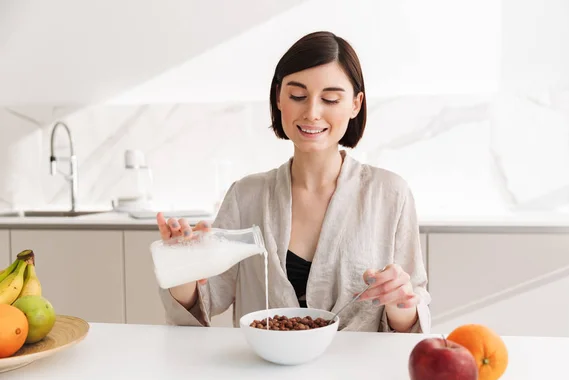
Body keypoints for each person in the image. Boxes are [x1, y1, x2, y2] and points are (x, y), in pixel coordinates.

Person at [156, 31, 431, 333]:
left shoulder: (390, 194)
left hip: (353, 374)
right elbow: (205, 303)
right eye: (298, 96)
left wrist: (399, 301)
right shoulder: (246, 195)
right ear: (278, 97)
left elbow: (410, 325)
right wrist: (182, 266)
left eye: (330, 99)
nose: (312, 113)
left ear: (355, 104)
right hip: (263, 374)